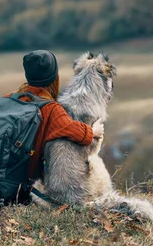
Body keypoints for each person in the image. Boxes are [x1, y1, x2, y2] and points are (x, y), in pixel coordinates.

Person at [6, 50, 104, 202]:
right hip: (20, 186)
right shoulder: (51, 109)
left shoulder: (11, 99)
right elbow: (73, 130)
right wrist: (93, 132)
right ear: (54, 77)